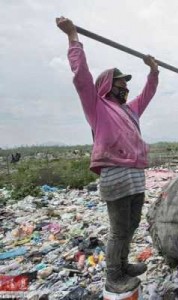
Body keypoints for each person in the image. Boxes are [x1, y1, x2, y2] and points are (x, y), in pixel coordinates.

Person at [56, 17, 159, 293]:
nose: (125, 88)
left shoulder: (130, 110)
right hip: (115, 172)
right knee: (118, 229)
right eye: (120, 83)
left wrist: (153, 72)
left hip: (135, 173)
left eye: (126, 84)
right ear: (107, 86)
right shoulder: (97, 106)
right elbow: (81, 77)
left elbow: (147, 94)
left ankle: (123, 265)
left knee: (132, 223)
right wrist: (73, 37)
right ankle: (114, 275)